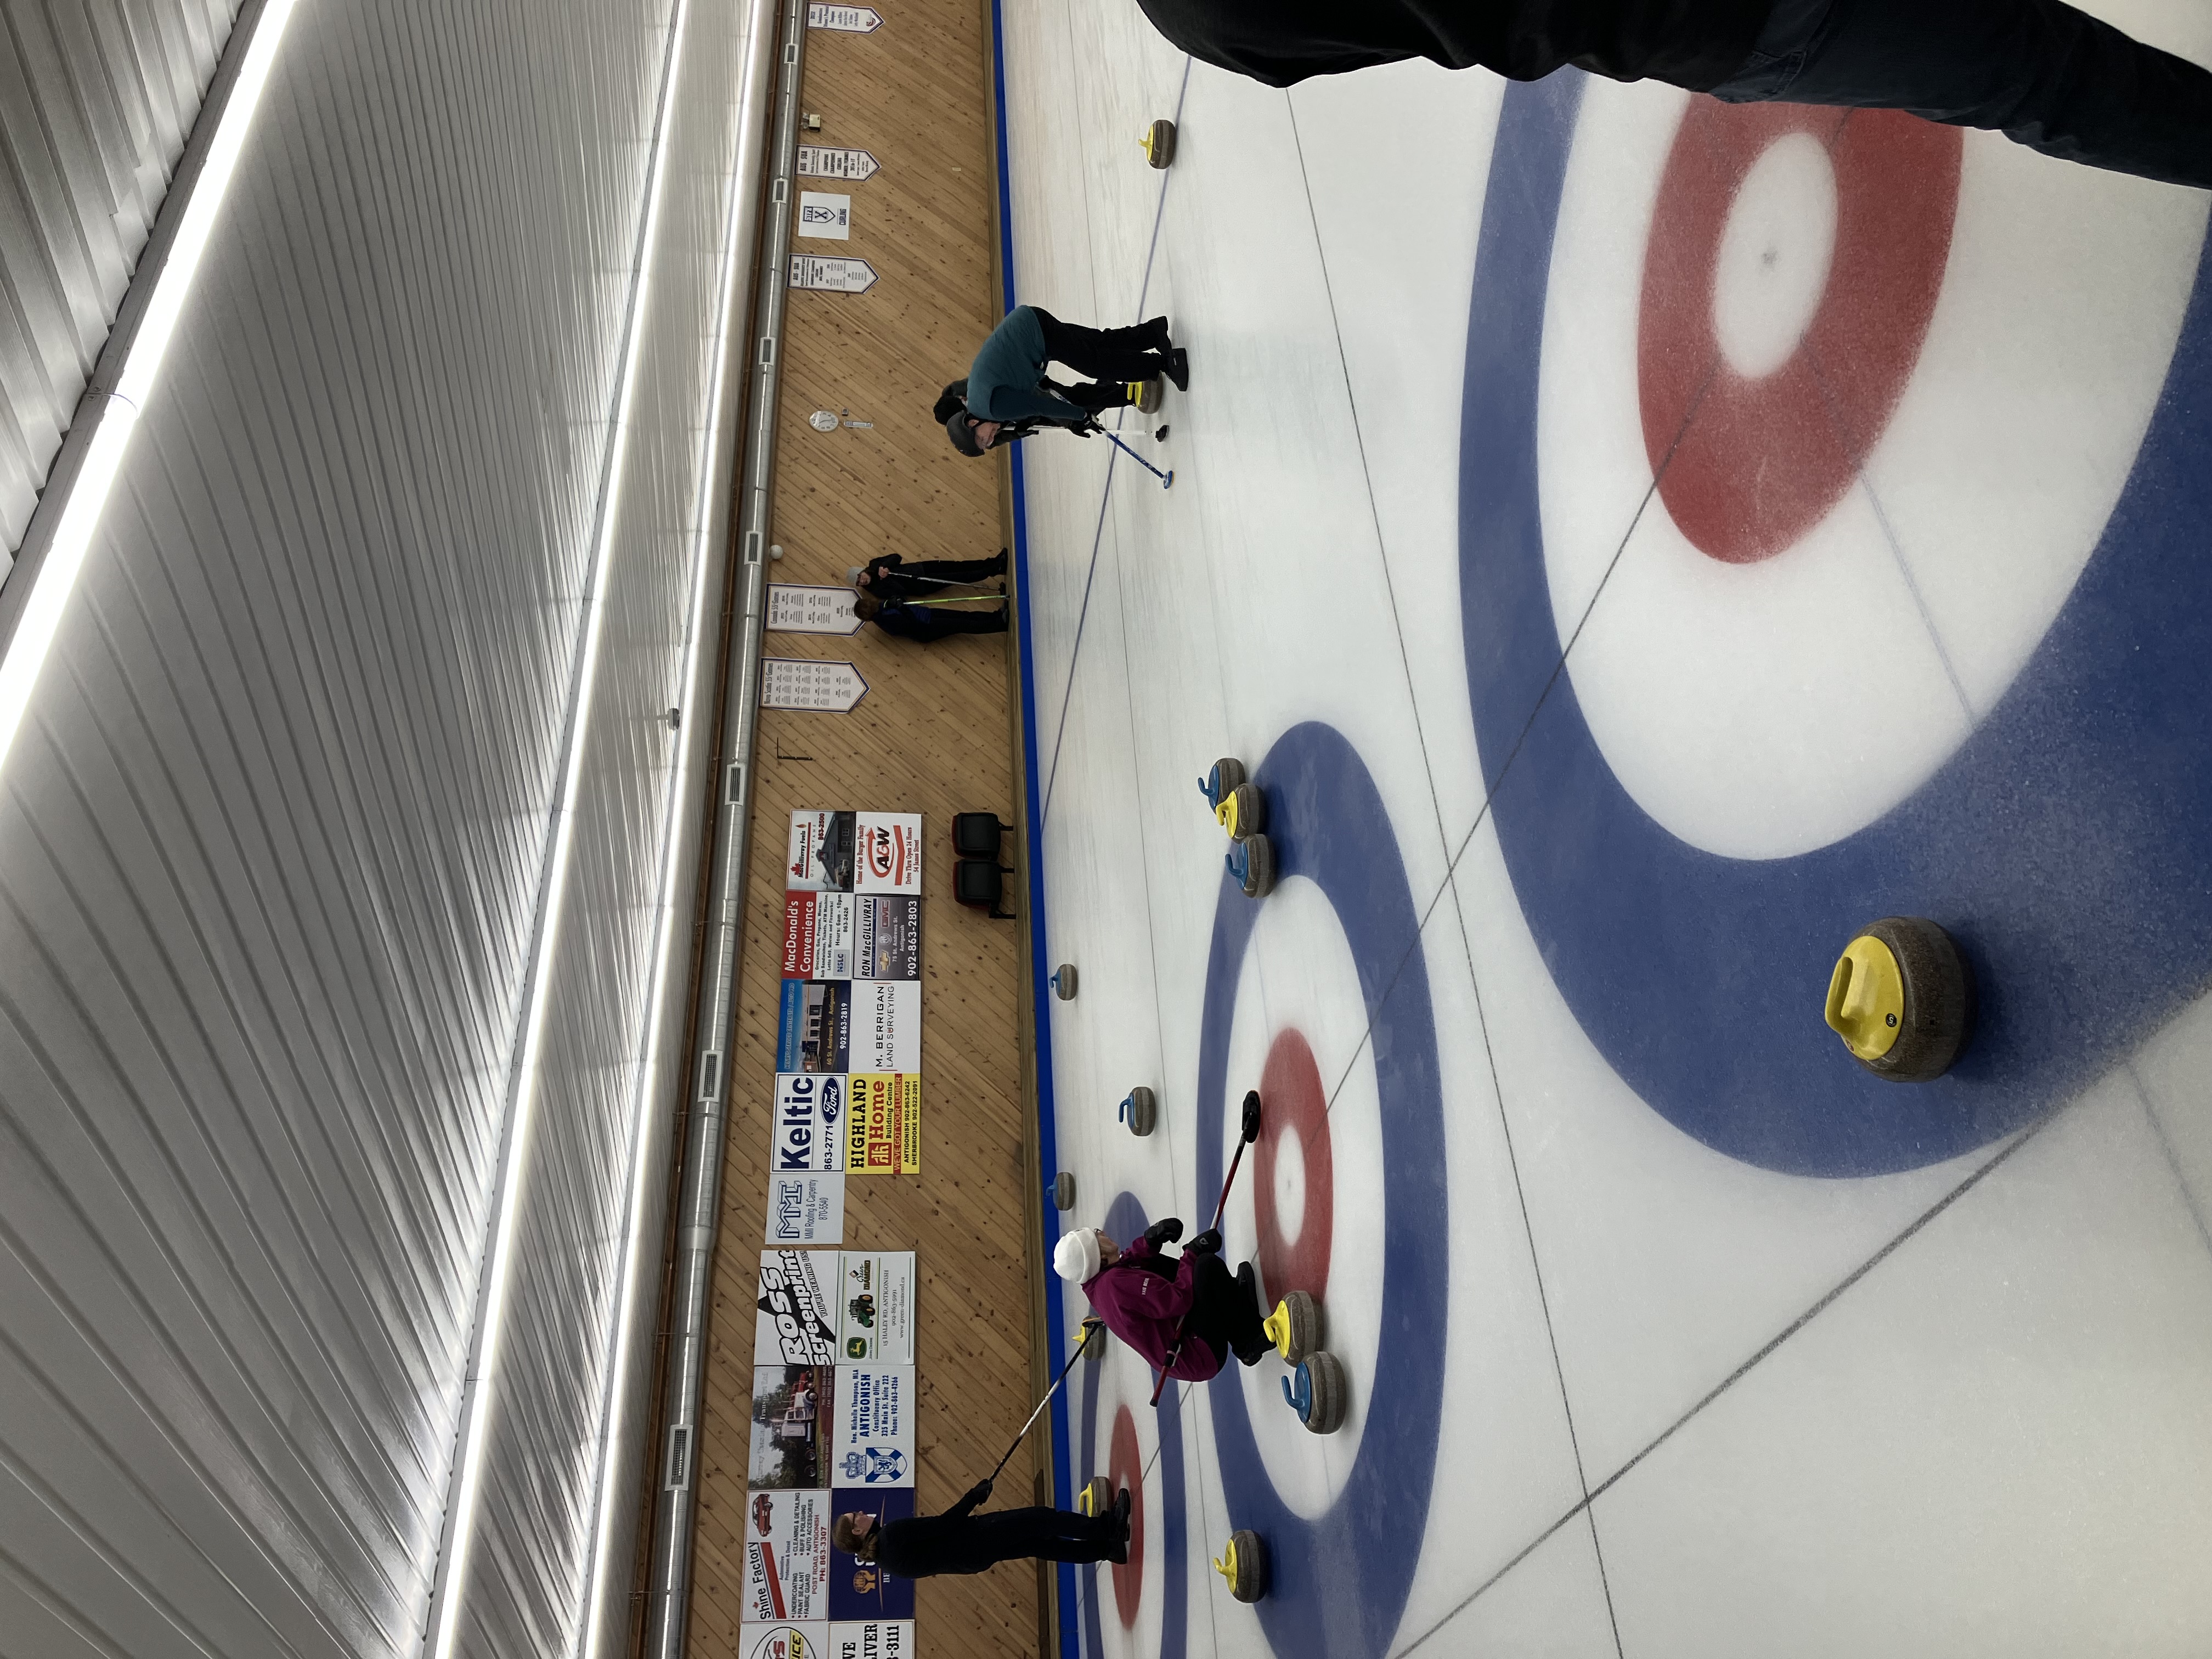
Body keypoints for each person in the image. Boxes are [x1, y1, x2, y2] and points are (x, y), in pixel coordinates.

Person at [1129, 0, 2212, 189]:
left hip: (1706, 25)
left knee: (2048, 80)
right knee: (2046, 77)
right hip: (1716, 16)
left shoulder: (1199, 18)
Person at [944, 307, 1189, 457]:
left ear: (973, 422)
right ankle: (1152, 333)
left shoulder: (991, 408)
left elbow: (1039, 406)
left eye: (982, 439)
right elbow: (1030, 391)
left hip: (1035, 335)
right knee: (1095, 345)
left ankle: (1163, 364)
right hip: (1029, 324)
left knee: (1095, 364)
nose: (990, 440)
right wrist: (1074, 416)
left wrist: (1079, 416)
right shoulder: (980, 401)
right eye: (986, 445)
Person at [1053, 1218, 1270, 1382]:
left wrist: (1150, 1240)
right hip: (1199, 1353)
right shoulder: (1114, 1286)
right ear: (1098, 1256)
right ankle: (1249, 1343)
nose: (1102, 1233)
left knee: (1157, 1264)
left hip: (1188, 1339)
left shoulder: (1101, 1281)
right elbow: (1178, 1300)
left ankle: (1233, 1302)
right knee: (1204, 1267)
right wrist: (1192, 1253)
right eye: (1096, 1235)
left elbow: (1129, 1263)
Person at [833, 1482, 1131, 1577]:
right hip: (978, 1536)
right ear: (857, 1531)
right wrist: (974, 1497)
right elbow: (943, 1525)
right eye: (855, 1516)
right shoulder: (891, 1535)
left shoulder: (886, 1562)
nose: (860, 1513)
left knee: (1040, 1545)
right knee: (1043, 1519)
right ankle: (1109, 1528)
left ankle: (1107, 1549)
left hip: (974, 1560)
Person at [853, 588, 1009, 642]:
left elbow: (903, 603)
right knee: (964, 624)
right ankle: (999, 624)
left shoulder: (882, 607)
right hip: (927, 628)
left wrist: (900, 600)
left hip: (927, 614)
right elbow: (911, 624)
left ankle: (996, 616)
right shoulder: (884, 621)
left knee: (964, 616)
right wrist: (901, 607)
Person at [853, 548, 1008, 602]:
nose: (862, 581)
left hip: (921, 568)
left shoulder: (874, 564)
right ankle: (994, 570)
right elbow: (901, 591)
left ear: (862, 571)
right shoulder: (877, 590)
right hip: (923, 584)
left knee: (959, 565)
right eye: (859, 583)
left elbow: (897, 557)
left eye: (860, 577)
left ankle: (993, 562)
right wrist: (885, 580)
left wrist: (885, 566)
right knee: (960, 577)